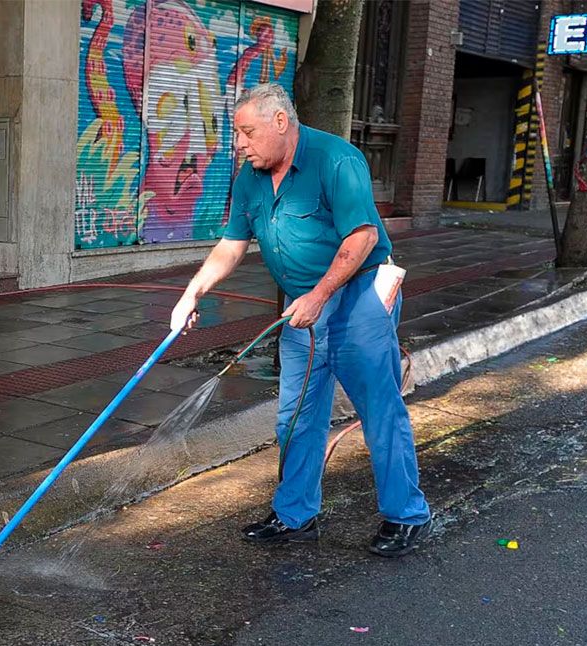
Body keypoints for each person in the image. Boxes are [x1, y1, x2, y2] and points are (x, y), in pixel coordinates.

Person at [170, 83, 432, 558]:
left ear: (280, 122)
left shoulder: (337, 160)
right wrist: (192, 294)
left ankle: (407, 515)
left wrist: (320, 294)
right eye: (237, 134)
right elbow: (231, 246)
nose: (240, 144)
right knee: (296, 415)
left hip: (359, 300)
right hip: (302, 305)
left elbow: (363, 236)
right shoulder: (250, 177)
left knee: (379, 410)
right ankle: (295, 515)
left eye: (247, 133)